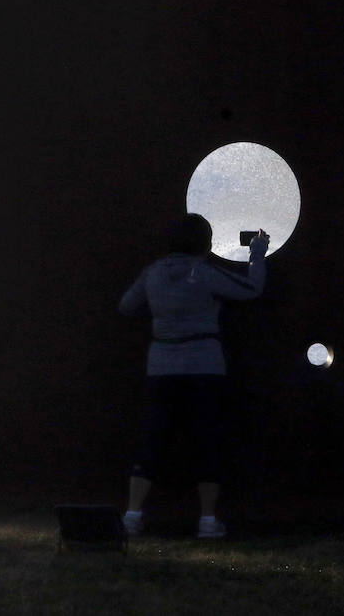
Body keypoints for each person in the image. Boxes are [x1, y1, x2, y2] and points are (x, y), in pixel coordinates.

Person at [118, 212, 269, 540]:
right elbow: (252, 289)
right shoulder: (204, 273)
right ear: (205, 242)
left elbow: (127, 306)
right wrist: (257, 252)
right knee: (207, 441)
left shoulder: (152, 274)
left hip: (161, 368)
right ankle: (207, 521)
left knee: (154, 440)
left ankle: (132, 516)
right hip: (205, 368)